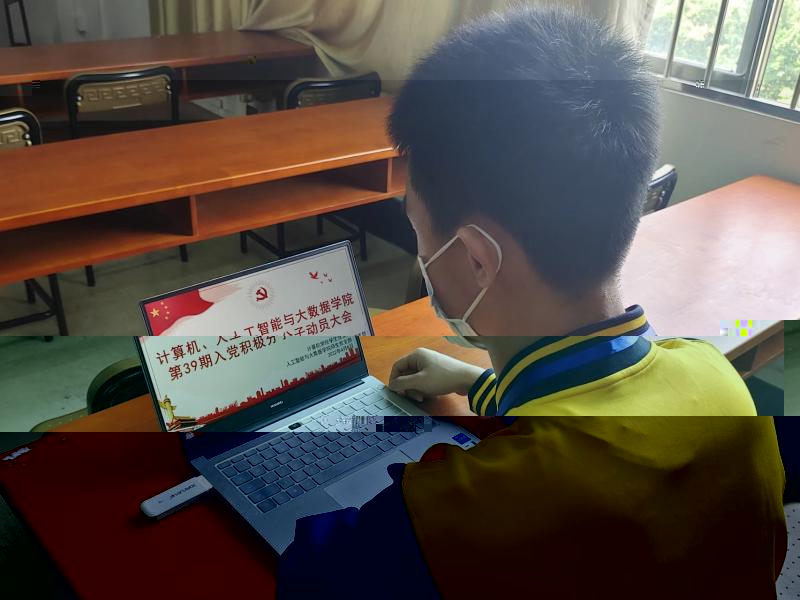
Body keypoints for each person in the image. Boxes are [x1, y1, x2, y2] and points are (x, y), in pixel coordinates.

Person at [277, 8, 787, 599]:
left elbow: (310, 572)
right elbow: (585, 404)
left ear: (476, 259)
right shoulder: (717, 380)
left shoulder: (481, 505)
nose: (421, 251)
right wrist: (474, 382)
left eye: (418, 230)